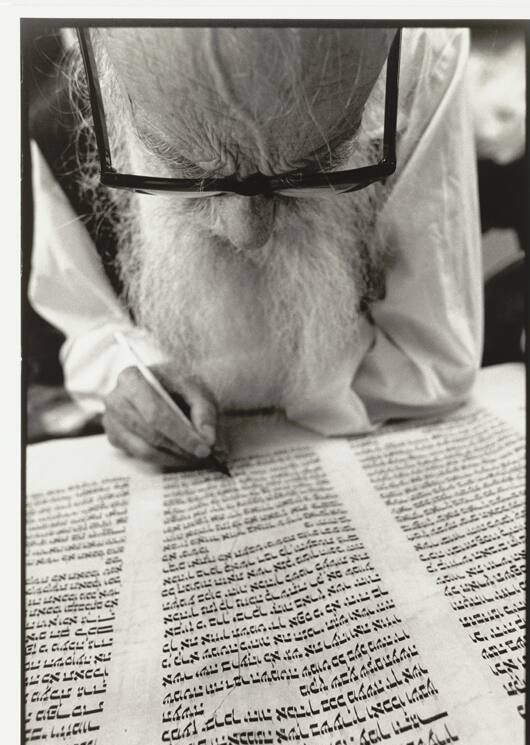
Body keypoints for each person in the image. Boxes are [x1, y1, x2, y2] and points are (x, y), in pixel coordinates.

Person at [28, 25, 482, 469]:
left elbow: (434, 363)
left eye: (314, 166)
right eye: (187, 168)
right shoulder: (64, 94)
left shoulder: (423, 51)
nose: (249, 235)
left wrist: (237, 379)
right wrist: (131, 376)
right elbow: (86, 324)